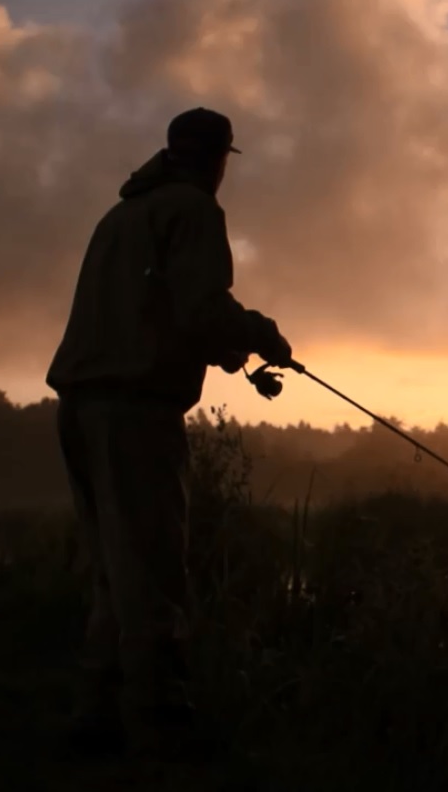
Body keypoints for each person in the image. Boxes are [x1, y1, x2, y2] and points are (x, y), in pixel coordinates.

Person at [45, 106, 293, 759]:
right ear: (218, 159)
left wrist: (225, 348)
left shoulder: (121, 216)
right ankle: (161, 731)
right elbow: (202, 309)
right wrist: (261, 336)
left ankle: (96, 720)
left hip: (79, 408)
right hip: (136, 413)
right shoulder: (193, 210)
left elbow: (160, 312)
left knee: (113, 573)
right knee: (153, 572)